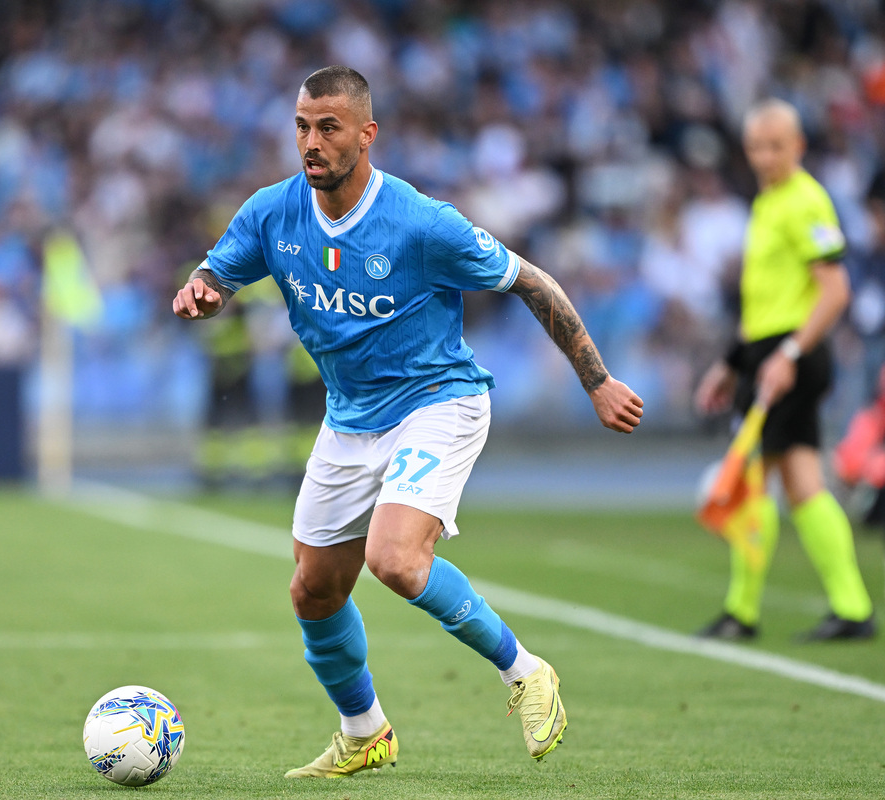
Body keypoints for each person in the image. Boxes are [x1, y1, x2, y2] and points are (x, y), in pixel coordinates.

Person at [172, 66, 644, 778]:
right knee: (313, 589)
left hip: (439, 403)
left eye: (328, 127)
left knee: (394, 560)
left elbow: (532, 281)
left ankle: (524, 671)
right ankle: (364, 732)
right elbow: (216, 277)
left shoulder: (423, 224)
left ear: (367, 135)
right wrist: (202, 295)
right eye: (302, 126)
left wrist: (598, 380)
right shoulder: (272, 213)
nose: (312, 142)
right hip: (350, 419)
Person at [694, 98, 876, 642]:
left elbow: (836, 291)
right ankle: (853, 608)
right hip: (768, 355)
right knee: (802, 484)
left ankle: (741, 612)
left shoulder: (805, 202)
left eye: (776, 145)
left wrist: (787, 356)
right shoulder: (768, 203)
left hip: (790, 359)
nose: (765, 156)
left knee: (752, 479)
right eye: (756, 147)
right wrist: (730, 364)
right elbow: (762, 303)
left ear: (798, 146)